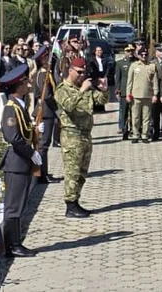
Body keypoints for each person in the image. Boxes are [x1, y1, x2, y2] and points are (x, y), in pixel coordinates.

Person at [55, 57, 108, 218]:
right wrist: (82, 91)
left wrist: (104, 90)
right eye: (79, 72)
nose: (81, 75)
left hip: (86, 135)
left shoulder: (85, 86)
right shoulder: (62, 89)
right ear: (70, 71)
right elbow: (69, 106)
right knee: (72, 172)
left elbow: (101, 101)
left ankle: (76, 201)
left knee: (82, 172)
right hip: (71, 135)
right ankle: (70, 205)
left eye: (83, 72)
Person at [0, 64, 40, 257]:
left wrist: (33, 131)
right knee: (13, 207)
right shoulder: (10, 109)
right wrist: (31, 152)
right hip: (16, 162)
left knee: (19, 204)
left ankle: (15, 242)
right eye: (25, 81)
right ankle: (11, 245)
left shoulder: (19, 105)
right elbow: (13, 137)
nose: (28, 83)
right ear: (18, 86)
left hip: (21, 162)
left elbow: (23, 131)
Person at [31, 46, 62, 184]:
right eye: (46, 56)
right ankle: (42, 175)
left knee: (45, 144)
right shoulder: (42, 74)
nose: (49, 58)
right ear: (41, 59)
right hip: (45, 112)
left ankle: (44, 172)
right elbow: (47, 95)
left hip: (47, 111)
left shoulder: (45, 73)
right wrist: (57, 109)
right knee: (43, 144)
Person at [125, 49, 158, 143]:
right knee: (135, 117)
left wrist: (155, 94)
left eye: (145, 54)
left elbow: (154, 81)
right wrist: (128, 94)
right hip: (136, 95)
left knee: (146, 117)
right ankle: (135, 134)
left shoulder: (152, 66)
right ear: (138, 55)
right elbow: (129, 81)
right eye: (142, 54)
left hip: (147, 95)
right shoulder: (134, 65)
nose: (144, 56)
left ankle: (145, 135)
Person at [114, 44, 136, 136]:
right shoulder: (120, 63)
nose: (130, 53)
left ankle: (134, 129)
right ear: (124, 52)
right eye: (128, 51)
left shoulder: (137, 62)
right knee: (124, 111)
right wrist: (117, 90)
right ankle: (124, 129)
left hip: (135, 89)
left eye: (131, 50)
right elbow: (118, 78)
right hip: (124, 90)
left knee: (134, 112)